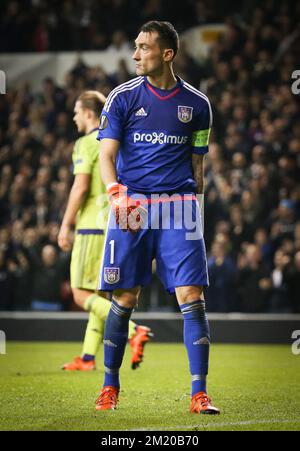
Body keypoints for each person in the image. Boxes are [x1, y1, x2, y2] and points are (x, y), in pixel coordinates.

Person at [95, 21, 220, 414]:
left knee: (192, 296)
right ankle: (109, 386)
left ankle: (199, 394)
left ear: (167, 54)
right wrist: (116, 194)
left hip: (180, 206)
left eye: (144, 47)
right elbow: (106, 156)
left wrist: (195, 211)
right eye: (135, 46)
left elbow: (197, 165)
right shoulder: (122, 97)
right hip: (131, 205)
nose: (135, 54)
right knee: (125, 296)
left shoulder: (198, 106)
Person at [58, 90, 152, 371]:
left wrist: (66, 224)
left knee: (79, 294)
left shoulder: (86, 143)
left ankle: (135, 331)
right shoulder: (116, 140)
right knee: (100, 296)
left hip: (89, 228)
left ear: (89, 113)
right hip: (113, 226)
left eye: (77, 111)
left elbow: (81, 186)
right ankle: (88, 357)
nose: (74, 117)